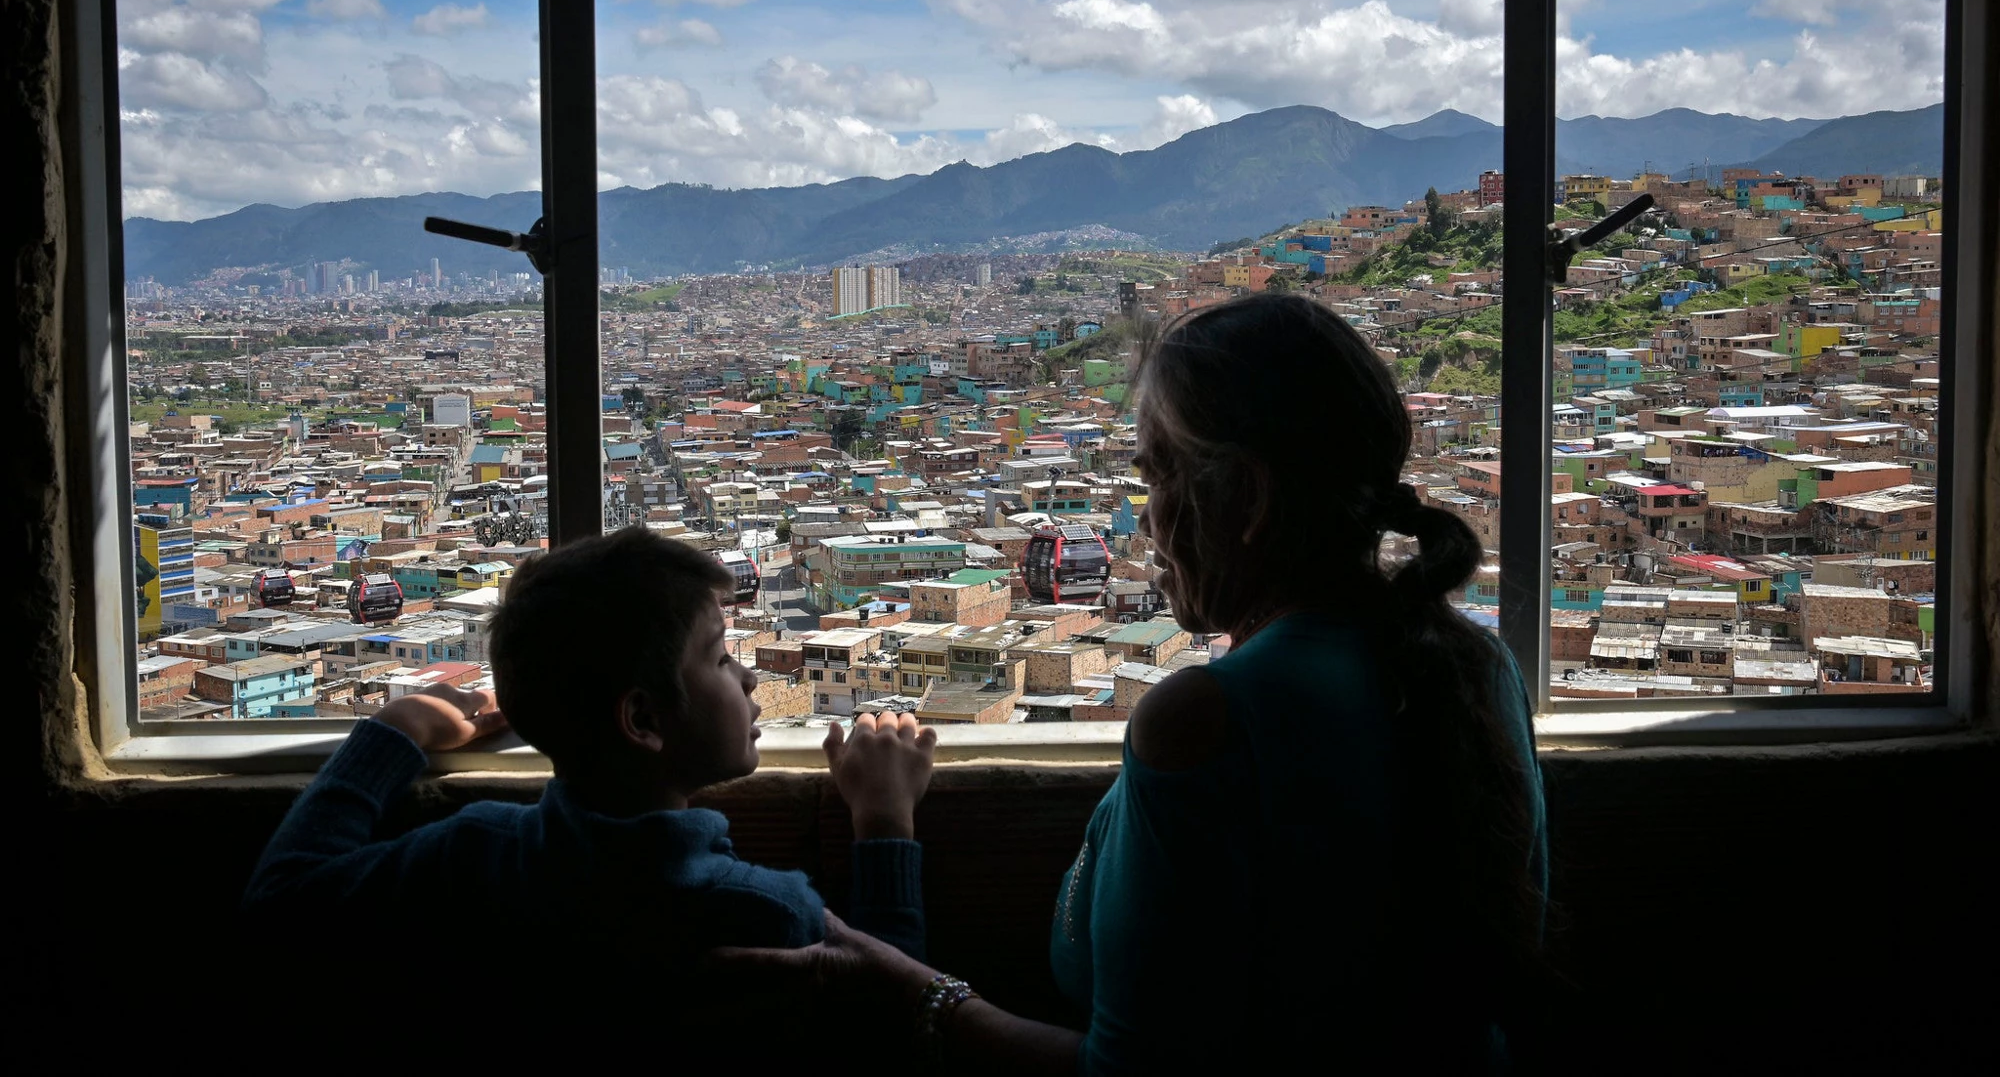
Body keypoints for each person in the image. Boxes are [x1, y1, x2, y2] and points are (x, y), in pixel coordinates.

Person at [720, 293, 1548, 1073]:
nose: (1145, 520)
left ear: (1249, 500)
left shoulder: (1208, 719)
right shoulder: (1477, 668)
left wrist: (912, 989)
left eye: (1158, 477)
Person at [241, 528, 938, 999]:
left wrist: (395, 726)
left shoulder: (470, 856)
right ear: (641, 720)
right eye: (721, 656)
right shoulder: (757, 910)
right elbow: (892, 1013)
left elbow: (280, 905)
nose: (749, 679)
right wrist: (884, 823)